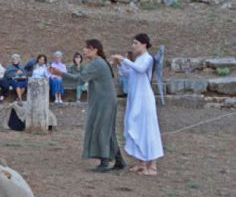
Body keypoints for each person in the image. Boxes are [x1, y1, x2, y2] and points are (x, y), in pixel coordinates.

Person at [51, 39, 125, 172]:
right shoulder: (99, 63)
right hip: (104, 100)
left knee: (101, 128)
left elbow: (80, 79)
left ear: (95, 50)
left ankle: (104, 161)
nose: (84, 50)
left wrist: (61, 74)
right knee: (108, 130)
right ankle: (119, 160)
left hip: (104, 101)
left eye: (87, 48)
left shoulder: (97, 63)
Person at [111, 34, 164, 176]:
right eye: (133, 43)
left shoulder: (148, 59)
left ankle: (152, 165)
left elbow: (140, 70)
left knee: (148, 129)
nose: (133, 45)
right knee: (135, 126)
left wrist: (124, 60)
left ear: (144, 44)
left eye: (136, 43)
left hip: (144, 99)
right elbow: (128, 74)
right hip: (135, 98)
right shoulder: (138, 59)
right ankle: (141, 162)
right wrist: (120, 64)